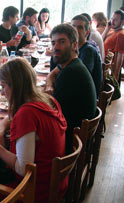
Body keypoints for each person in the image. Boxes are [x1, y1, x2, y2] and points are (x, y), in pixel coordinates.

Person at [0, 57, 67, 203]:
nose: (2, 93)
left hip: (33, 194)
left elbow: (23, 168)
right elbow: (9, 118)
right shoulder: (47, 100)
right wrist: (0, 130)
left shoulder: (27, 114)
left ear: (15, 86)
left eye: (3, 86)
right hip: (56, 183)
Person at [46, 23, 97, 152]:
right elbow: (53, 74)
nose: (56, 47)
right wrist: (49, 84)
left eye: (61, 42)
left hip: (68, 144)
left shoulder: (71, 73)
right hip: (75, 135)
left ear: (74, 45)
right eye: (53, 43)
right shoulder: (73, 64)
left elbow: (50, 112)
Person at [71, 15, 103, 97]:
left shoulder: (88, 51)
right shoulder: (77, 49)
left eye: (80, 27)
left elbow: (81, 78)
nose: (75, 30)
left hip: (84, 98)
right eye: (73, 26)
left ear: (87, 32)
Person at [102, 10, 124, 83]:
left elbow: (120, 56)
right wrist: (107, 29)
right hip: (103, 63)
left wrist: (115, 76)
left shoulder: (121, 34)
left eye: (116, 20)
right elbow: (100, 42)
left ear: (122, 22)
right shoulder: (111, 30)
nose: (112, 21)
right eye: (112, 19)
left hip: (109, 68)